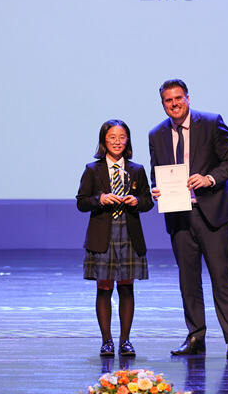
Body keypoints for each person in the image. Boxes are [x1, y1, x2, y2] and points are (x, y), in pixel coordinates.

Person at [148, 79, 228, 359]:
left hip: (212, 213)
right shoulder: (156, 134)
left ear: (188, 99)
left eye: (178, 98)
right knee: (188, 281)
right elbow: (157, 172)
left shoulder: (212, 123)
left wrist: (209, 178)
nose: (174, 104)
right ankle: (195, 337)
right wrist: (156, 189)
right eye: (168, 100)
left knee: (221, 277)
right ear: (163, 104)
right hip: (179, 215)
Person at [77, 119, 153, 357]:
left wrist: (137, 201)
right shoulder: (93, 169)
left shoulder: (137, 169)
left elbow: (148, 202)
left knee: (127, 287)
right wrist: (99, 199)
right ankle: (107, 341)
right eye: (112, 137)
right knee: (104, 287)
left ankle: (125, 341)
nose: (117, 142)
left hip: (129, 234)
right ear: (104, 140)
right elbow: (81, 202)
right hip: (103, 235)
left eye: (121, 137)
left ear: (127, 140)